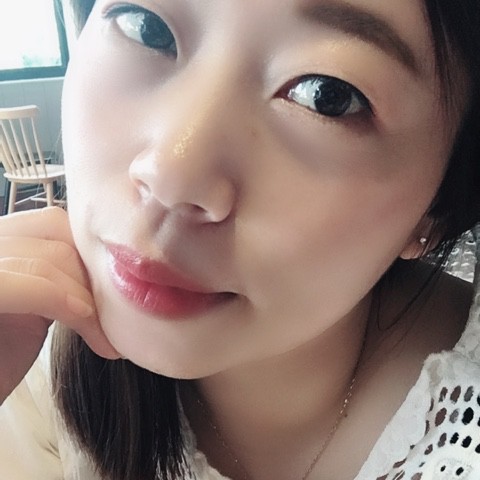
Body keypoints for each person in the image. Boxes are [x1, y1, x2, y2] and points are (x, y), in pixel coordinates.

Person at [1, 0, 480, 479]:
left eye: (326, 95)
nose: (171, 176)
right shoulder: (25, 350)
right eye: (146, 27)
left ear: (440, 206)